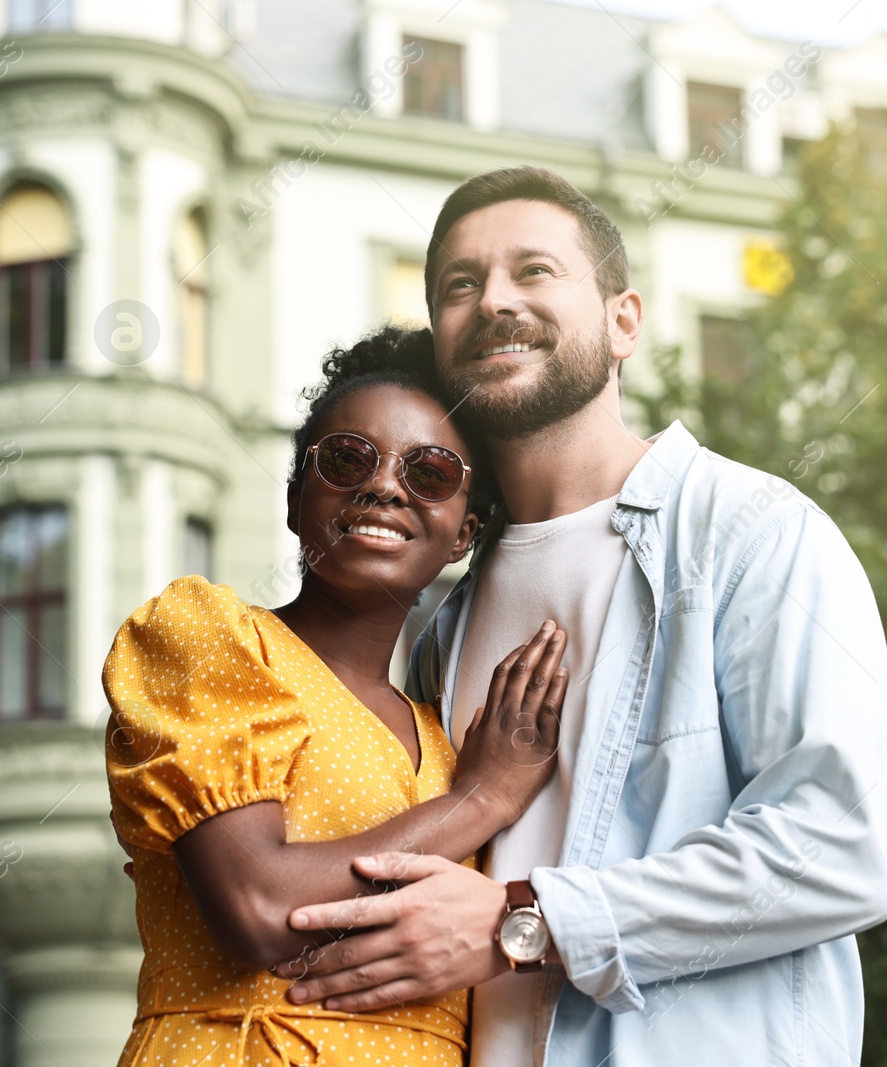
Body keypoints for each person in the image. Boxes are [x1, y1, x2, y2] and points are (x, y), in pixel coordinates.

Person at [282, 167, 887, 1066]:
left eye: (535, 271)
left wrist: (521, 923)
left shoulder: (751, 534)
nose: (495, 299)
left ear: (624, 321)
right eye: (461, 284)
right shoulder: (434, 628)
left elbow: (839, 844)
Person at [102, 326, 569, 1066]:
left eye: (432, 473)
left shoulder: (446, 732)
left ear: (462, 534)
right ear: (295, 500)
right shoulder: (207, 639)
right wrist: (480, 803)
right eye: (348, 458)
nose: (384, 484)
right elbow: (260, 908)